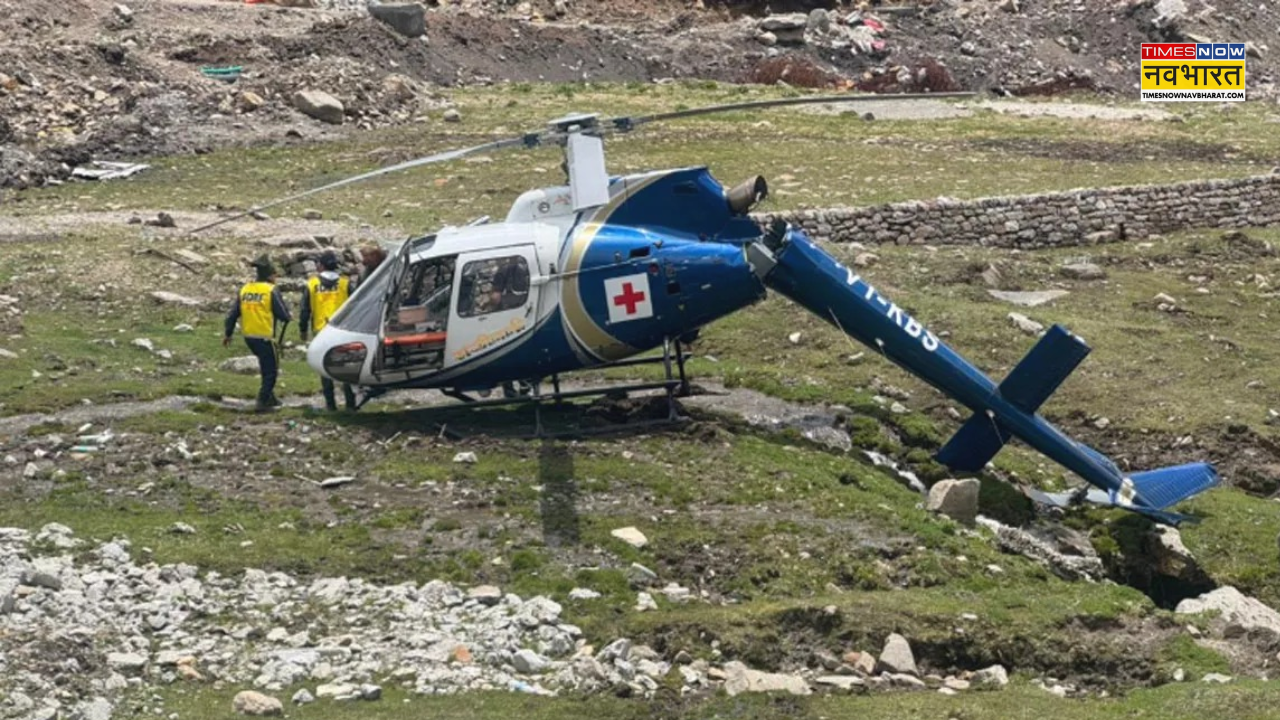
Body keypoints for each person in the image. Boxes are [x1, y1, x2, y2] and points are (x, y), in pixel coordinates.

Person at [224, 254, 292, 412]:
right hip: (265, 337)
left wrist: (228, 334)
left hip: (249, 336)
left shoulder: (245, 289)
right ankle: (262, 400)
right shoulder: (270, 290)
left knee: (265, 365)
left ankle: (270, 397)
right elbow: (283, 314)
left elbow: (233, 314)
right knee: (271, 371)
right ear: (270, 275)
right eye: (275, 275)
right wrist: (288, 316)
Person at [300, 250, 357, 411]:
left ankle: (330, 404)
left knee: (324, 367)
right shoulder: (345, 283)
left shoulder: (312, 284)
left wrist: (303, 330)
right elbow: (355, 305)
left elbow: (305, 310)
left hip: (321, 330)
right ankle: (351, 404)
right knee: (346, 367)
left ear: (321, 265)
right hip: (344, 329)